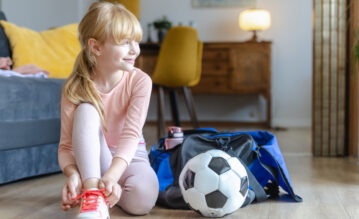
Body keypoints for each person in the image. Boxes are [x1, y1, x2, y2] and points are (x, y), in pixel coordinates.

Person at [58, 2, 159, 218]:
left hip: (131, 155)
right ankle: (93, 191)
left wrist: (113, 176)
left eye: (136, 42)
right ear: (96, 47)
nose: (135, 50)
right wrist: (73, 173)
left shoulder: (140, 81)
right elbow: (66, 146)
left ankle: (98, 194)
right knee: (86, 109)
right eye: (125, 43)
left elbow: (131, 135)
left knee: (142, 201)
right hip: (91, 160)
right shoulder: (75, 87)